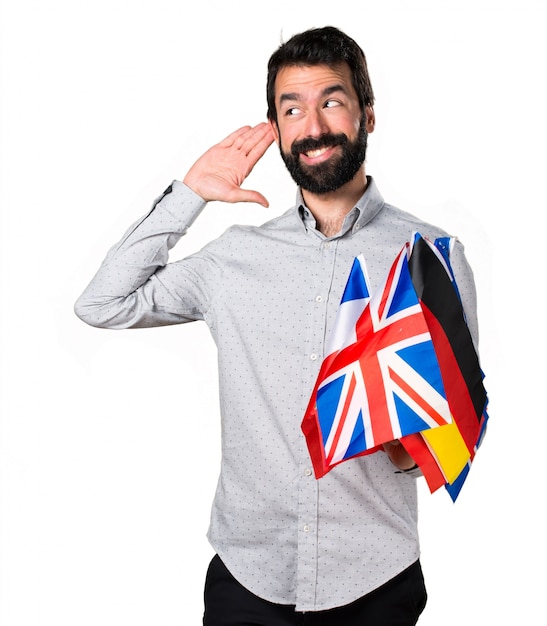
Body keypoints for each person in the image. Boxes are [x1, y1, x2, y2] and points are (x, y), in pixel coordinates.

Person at [75, 26, 480, 625]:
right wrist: (191, 194)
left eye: (332, 101)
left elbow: (455, 425)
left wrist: (411, 453)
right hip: (247, 579)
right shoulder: (233, 260)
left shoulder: (430, 255)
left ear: (368, 114)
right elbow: (103, 303)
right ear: (279, 128)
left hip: (375, 581)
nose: (313, 126)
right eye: (292, 109)